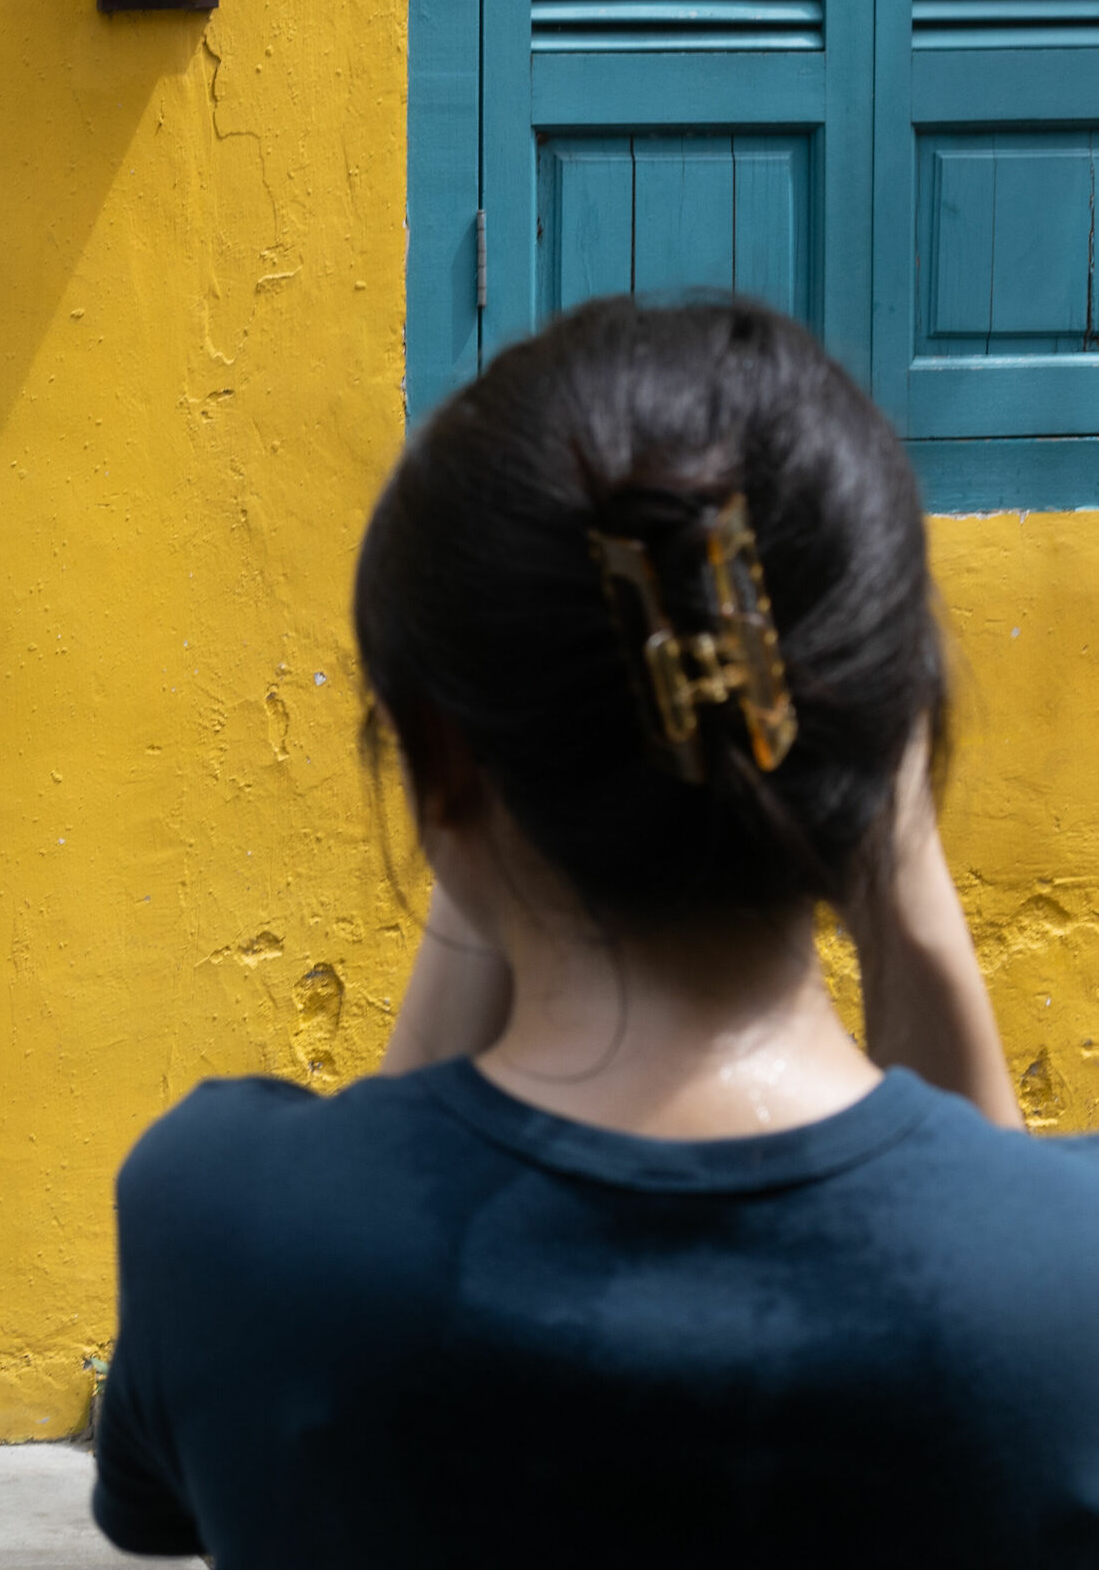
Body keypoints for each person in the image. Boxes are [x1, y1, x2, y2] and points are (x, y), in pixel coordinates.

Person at [93, 296, 1099, 1568]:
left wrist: (489, 779)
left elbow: (373, 1252)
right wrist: (888, 856)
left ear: (432, 755)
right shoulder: (1068, 1286)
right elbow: (998, 1303)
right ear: (891, 736)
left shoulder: (223, 1225)